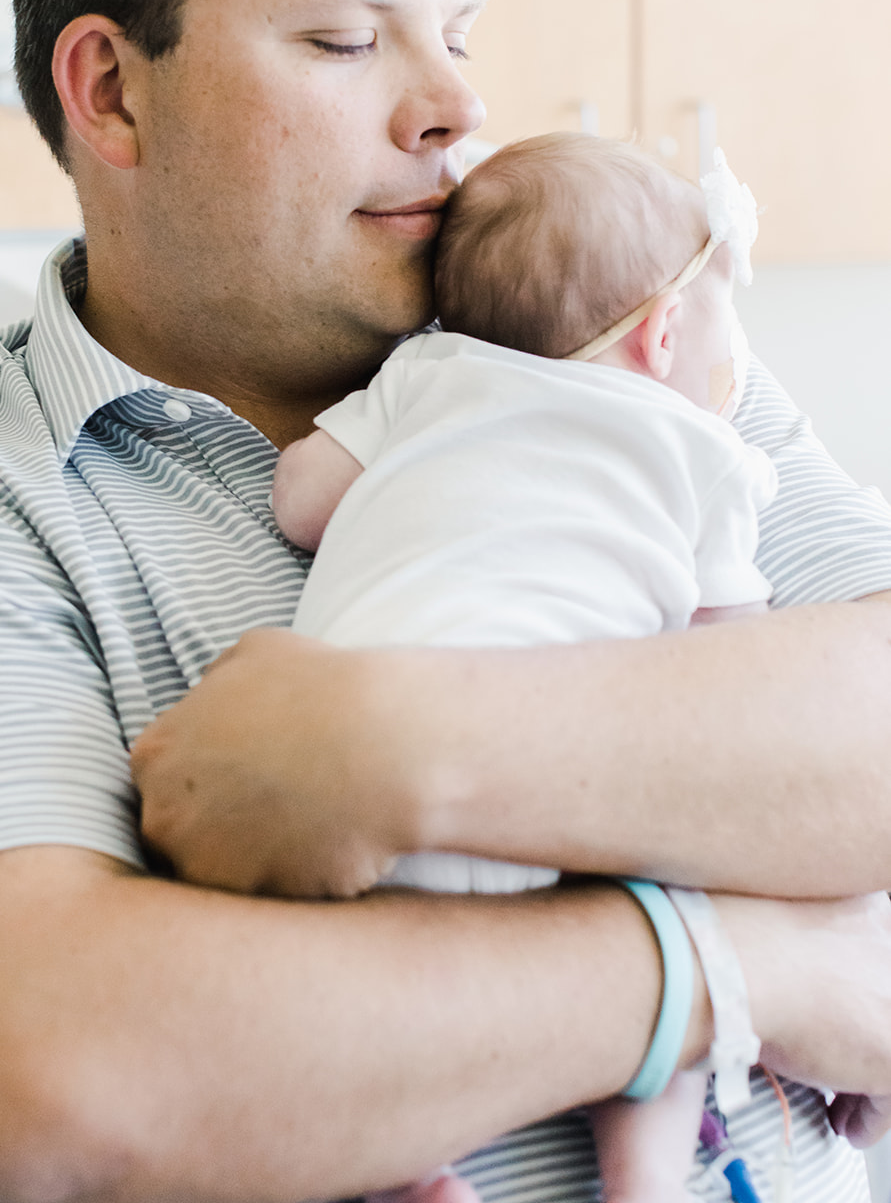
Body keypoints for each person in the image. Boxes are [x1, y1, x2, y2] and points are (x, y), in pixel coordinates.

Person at [0, 0, 891, 1203]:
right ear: (112, 90)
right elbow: (67, 1074)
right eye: (345, 40)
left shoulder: (607, 342)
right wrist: (750, 959)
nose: (454, 107)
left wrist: (379, 749)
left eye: (455, 37)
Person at [273, 132, 775, 1203]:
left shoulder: (425, 373)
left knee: (339, 998)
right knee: (678, 945)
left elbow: (298, 501)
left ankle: (401, 1169)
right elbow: (744, 680)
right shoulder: (704, 455)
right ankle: (640, 1178)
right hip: (559, 802)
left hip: (356, 786)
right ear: (664, 333)